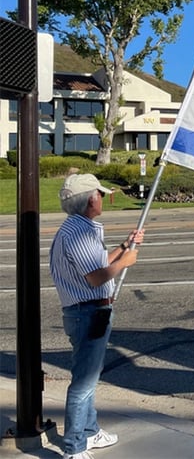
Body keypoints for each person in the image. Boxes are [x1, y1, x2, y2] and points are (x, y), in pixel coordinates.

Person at [49, 173, 144, 459]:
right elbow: (95, 277)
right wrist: (125, 262)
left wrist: (123, 248)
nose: (102, 198)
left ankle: (89, 432)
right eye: (100, 194)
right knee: (83, 383)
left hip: (89, 312)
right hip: (87, 312)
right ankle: (74, 446)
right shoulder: (78, 232)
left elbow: (98, 262)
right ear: (91, 199)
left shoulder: (80, 228)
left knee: (89, 377)